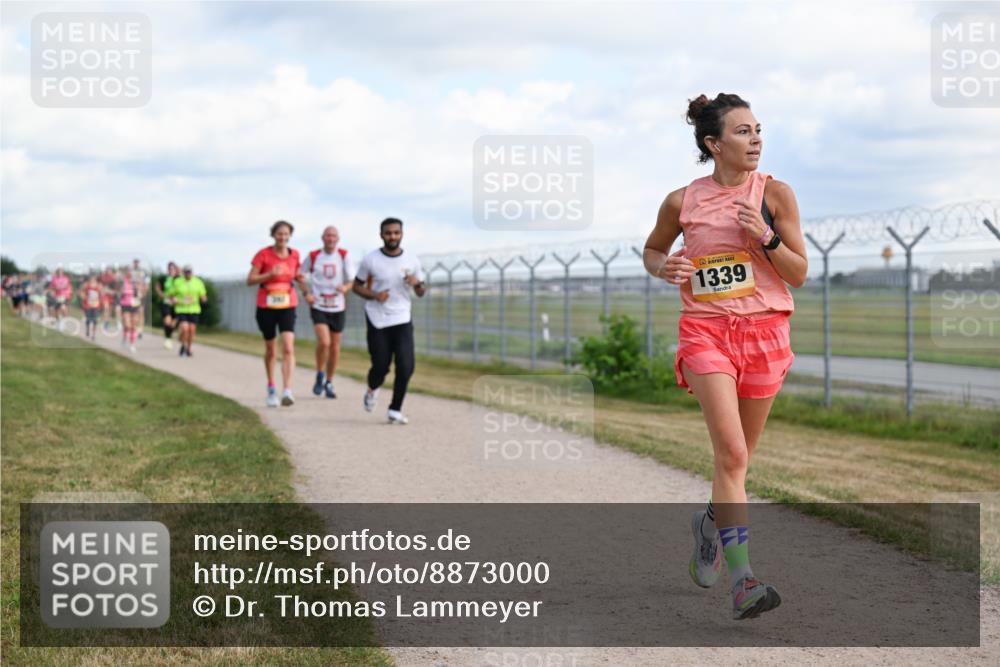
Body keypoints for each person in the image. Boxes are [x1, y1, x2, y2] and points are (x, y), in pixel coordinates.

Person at [643, 93, 807, 621]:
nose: (755, 139)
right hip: (706, 332)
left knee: (737, 461)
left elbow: (799, 272)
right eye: (742, 132)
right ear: (714, 144)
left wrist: (766, 238)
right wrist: (661, 267)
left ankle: (708, 525)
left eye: (758, 130)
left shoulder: (776, 194)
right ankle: (744, 580)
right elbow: (653, 249)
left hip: (765, 334)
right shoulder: (681, 201)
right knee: (732, 455)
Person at [353, 218, 426, 424]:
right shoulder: (371, 260)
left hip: (402, 317)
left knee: (406, 366)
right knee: (380, 366)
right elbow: (356, 286)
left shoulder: (412, 260)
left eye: (396, 233)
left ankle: (395, 409)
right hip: (378, 319)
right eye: (388, 233)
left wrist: (417, 283)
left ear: (401, 234)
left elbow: (421, 292)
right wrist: (375, 295)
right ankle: (372, 388)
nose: (392, 236)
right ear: (381, 235)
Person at [247, 220, 306, 407]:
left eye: (286, 234)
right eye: (279, 234)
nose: (282, 237)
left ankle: (287, 390)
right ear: (273, 235)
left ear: (290, 236)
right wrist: (269, 275)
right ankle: (271, 386)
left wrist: (306, 290)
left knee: (288, 347)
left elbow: (298, 276)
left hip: (288, 304)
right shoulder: (263, 254)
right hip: (266, 306)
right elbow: (250, 280)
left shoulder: (295, 254)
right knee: (271, 349)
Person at [304, 226, 354, 399]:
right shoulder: (313, 256)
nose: (331, 239)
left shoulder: (343, 255)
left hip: (337, 306)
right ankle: (319, 374)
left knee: (334, 346)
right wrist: (306, 293)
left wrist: (346, 287)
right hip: (319, 305)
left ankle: (329, 381)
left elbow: (352, 280)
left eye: (334, 236)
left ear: (338, 238)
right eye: (328, 236)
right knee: (324, 342)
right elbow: (299, 275)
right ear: (322, 238)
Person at [167, 265, 208, 357]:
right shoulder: (178, 282)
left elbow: (203, 295)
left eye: (189, 272)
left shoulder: (198, 282)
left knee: (192, 330)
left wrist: (204, 299)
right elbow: (170, 294)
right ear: (183, 273)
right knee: (185, 328)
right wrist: (173, 300)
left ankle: (188, 348)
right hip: (181, 309)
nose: (188, 274)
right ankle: (183, 345)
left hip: (194, 310)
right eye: (186, 272)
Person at [155, 262, 181, 349]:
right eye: (170, 269)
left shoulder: (179, 279)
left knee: (173, 324)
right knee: (167, 321)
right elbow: (157, 286)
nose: (171, 270)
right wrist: (161, 294)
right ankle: (167, 339)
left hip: (177, 304)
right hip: (166, 302)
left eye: (173, 269)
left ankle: (169, 336)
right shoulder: (164, 278)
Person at [118, 268, 142, 353]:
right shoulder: (123, 281)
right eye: (129, 272)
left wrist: (138, 291)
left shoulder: (136, 283)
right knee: (127, 325)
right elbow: (120, 292)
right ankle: (125, 337)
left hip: (134, 305)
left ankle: (132, 344)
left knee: (133, 325)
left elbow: (140, 294)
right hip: (125, 305)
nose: (130, 274)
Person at [80, 274, 103, 340]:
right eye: (91, 279)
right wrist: (83, 296)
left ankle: (93, 334)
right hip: (88, 305)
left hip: (96, 305)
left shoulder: (99, 286)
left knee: (95, 320)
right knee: (88, 319)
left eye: (94, 278)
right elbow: (81, 292)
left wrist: (100, 299)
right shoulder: (86, 285)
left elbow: (102, 294)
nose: (92, 279)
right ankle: (87, 330)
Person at [131, 258, 148, 339]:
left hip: (141, 294)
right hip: (133, 295)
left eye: (137, 263)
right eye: (135, 263)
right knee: (135, 313)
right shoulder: (131, 272)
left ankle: (140, 330)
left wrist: (143, 293)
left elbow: (147, 284)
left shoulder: (143, 272)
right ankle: (135, 328)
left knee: (141, 312)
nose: (136, 264)